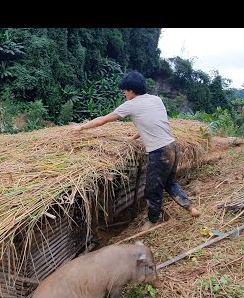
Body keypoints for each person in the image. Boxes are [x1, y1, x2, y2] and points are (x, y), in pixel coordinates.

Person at [72, 71, 200, 231]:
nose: (125, 94)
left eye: (125, 90)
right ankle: (190, 208)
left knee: (152, 190)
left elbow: (103, 120)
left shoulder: (131, 105)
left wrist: (81, 127)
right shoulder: (156, 99)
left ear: (131, 90)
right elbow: (153, 122)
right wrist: (134, 137)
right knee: (170, 182)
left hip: (160, 152)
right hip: (173, 146)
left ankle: (153, 221)